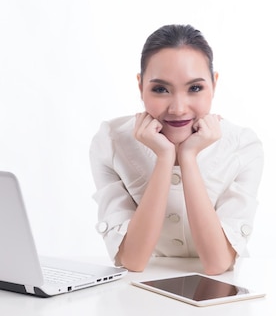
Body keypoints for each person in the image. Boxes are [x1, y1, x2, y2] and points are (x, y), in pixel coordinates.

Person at [89, 24, 264, 275]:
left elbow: (217, 263)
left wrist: (188, 157)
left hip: (220, 301)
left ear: (213, 84)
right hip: (137, 295)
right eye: (161, 89)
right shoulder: (112, 141)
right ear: (141, 86)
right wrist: (164, 157)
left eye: (195, 88)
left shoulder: (242, 146)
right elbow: (133, 260)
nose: (179, 108)